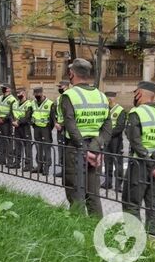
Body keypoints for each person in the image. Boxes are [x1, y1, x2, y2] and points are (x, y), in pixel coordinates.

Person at [122, 81, 155, 235]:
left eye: (135, 93)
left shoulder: (137, 113)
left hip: (139, 166)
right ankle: (152, 237)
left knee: (131, 203)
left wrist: (150, 162)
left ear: (139, 93)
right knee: (152, 205)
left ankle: (134, 238)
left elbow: (135, 141)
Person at [61, 58, 112, 216]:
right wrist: (95, 149)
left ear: (71, 73)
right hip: (94, 150)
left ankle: (78, 231)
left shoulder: (69, 95)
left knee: (76, 193)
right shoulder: (102, 96)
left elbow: (70, 125)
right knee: (93, 194)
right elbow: (107, 127)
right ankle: (96, 230)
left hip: (76, 149)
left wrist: (84, 150)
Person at [101, 92, 126, 191]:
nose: (108, 100)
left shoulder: (121, 110)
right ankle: (107, 182)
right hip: (107, 140)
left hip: (116, 140)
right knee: (107, 161)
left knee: (118, 163)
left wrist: (108, 133)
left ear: (113, 99)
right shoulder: (105, 110)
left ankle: (118, 185)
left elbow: (120, 127)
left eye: (109, 99)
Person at [30, 87, 55, 176]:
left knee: (47, 148)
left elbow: (53, 119)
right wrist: (33, 124)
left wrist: (49, 128)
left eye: (38, 95)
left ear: (42, 93)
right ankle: (39, 166)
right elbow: (30, 114)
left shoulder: (50, 103)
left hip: (46, 129)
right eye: (35, 95)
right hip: (36, 128)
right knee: (38, 148)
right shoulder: (33, 103)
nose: (36, 96)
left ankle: (47, 168)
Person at [0, 84, 18, 166]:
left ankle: (10, 160)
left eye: (4, 88)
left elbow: (12, 112)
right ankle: (2, 158)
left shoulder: (12, 99)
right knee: (0, 140)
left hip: (7, 122)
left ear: (9, 89)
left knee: (8, 141)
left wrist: (3, 119)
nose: (2, 89)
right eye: (2, 88)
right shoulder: (0, 97)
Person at [13, 87, 35, 171]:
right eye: (17, 93)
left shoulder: (28, 104)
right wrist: (13, 122)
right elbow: (12, 113)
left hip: (24, 127)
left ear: (24, 94)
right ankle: (17, 162)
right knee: (17, 145)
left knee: (27, 146)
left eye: (20, 93)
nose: (18, 95)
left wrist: (18, 122)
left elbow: (27, 117)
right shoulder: (15, 103)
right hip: (16, 127)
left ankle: (28, 165)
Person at [54, 80, 70, 177]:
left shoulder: (69, 97)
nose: (59, 88)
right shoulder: (59, 98)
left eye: (61, 87)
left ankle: (68, 171)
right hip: (59, 126)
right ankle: (63, 170)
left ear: (67, 86)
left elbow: (69, 114)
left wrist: (62, 124)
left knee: (67, 149)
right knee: (61, 148)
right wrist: (56, 122)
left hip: (66, 127)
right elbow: (55, 112)